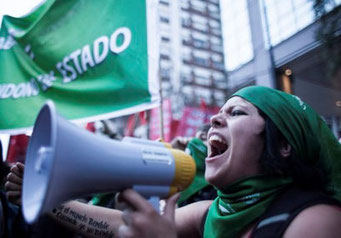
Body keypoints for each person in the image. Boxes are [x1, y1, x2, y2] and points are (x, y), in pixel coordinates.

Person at [6, 86, 341, 237]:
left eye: (236, 113)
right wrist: (50, 200)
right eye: (217, 113)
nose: (214, 120)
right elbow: (118, 225)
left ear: (283, 144)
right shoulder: (215, 212)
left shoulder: (314, 220)